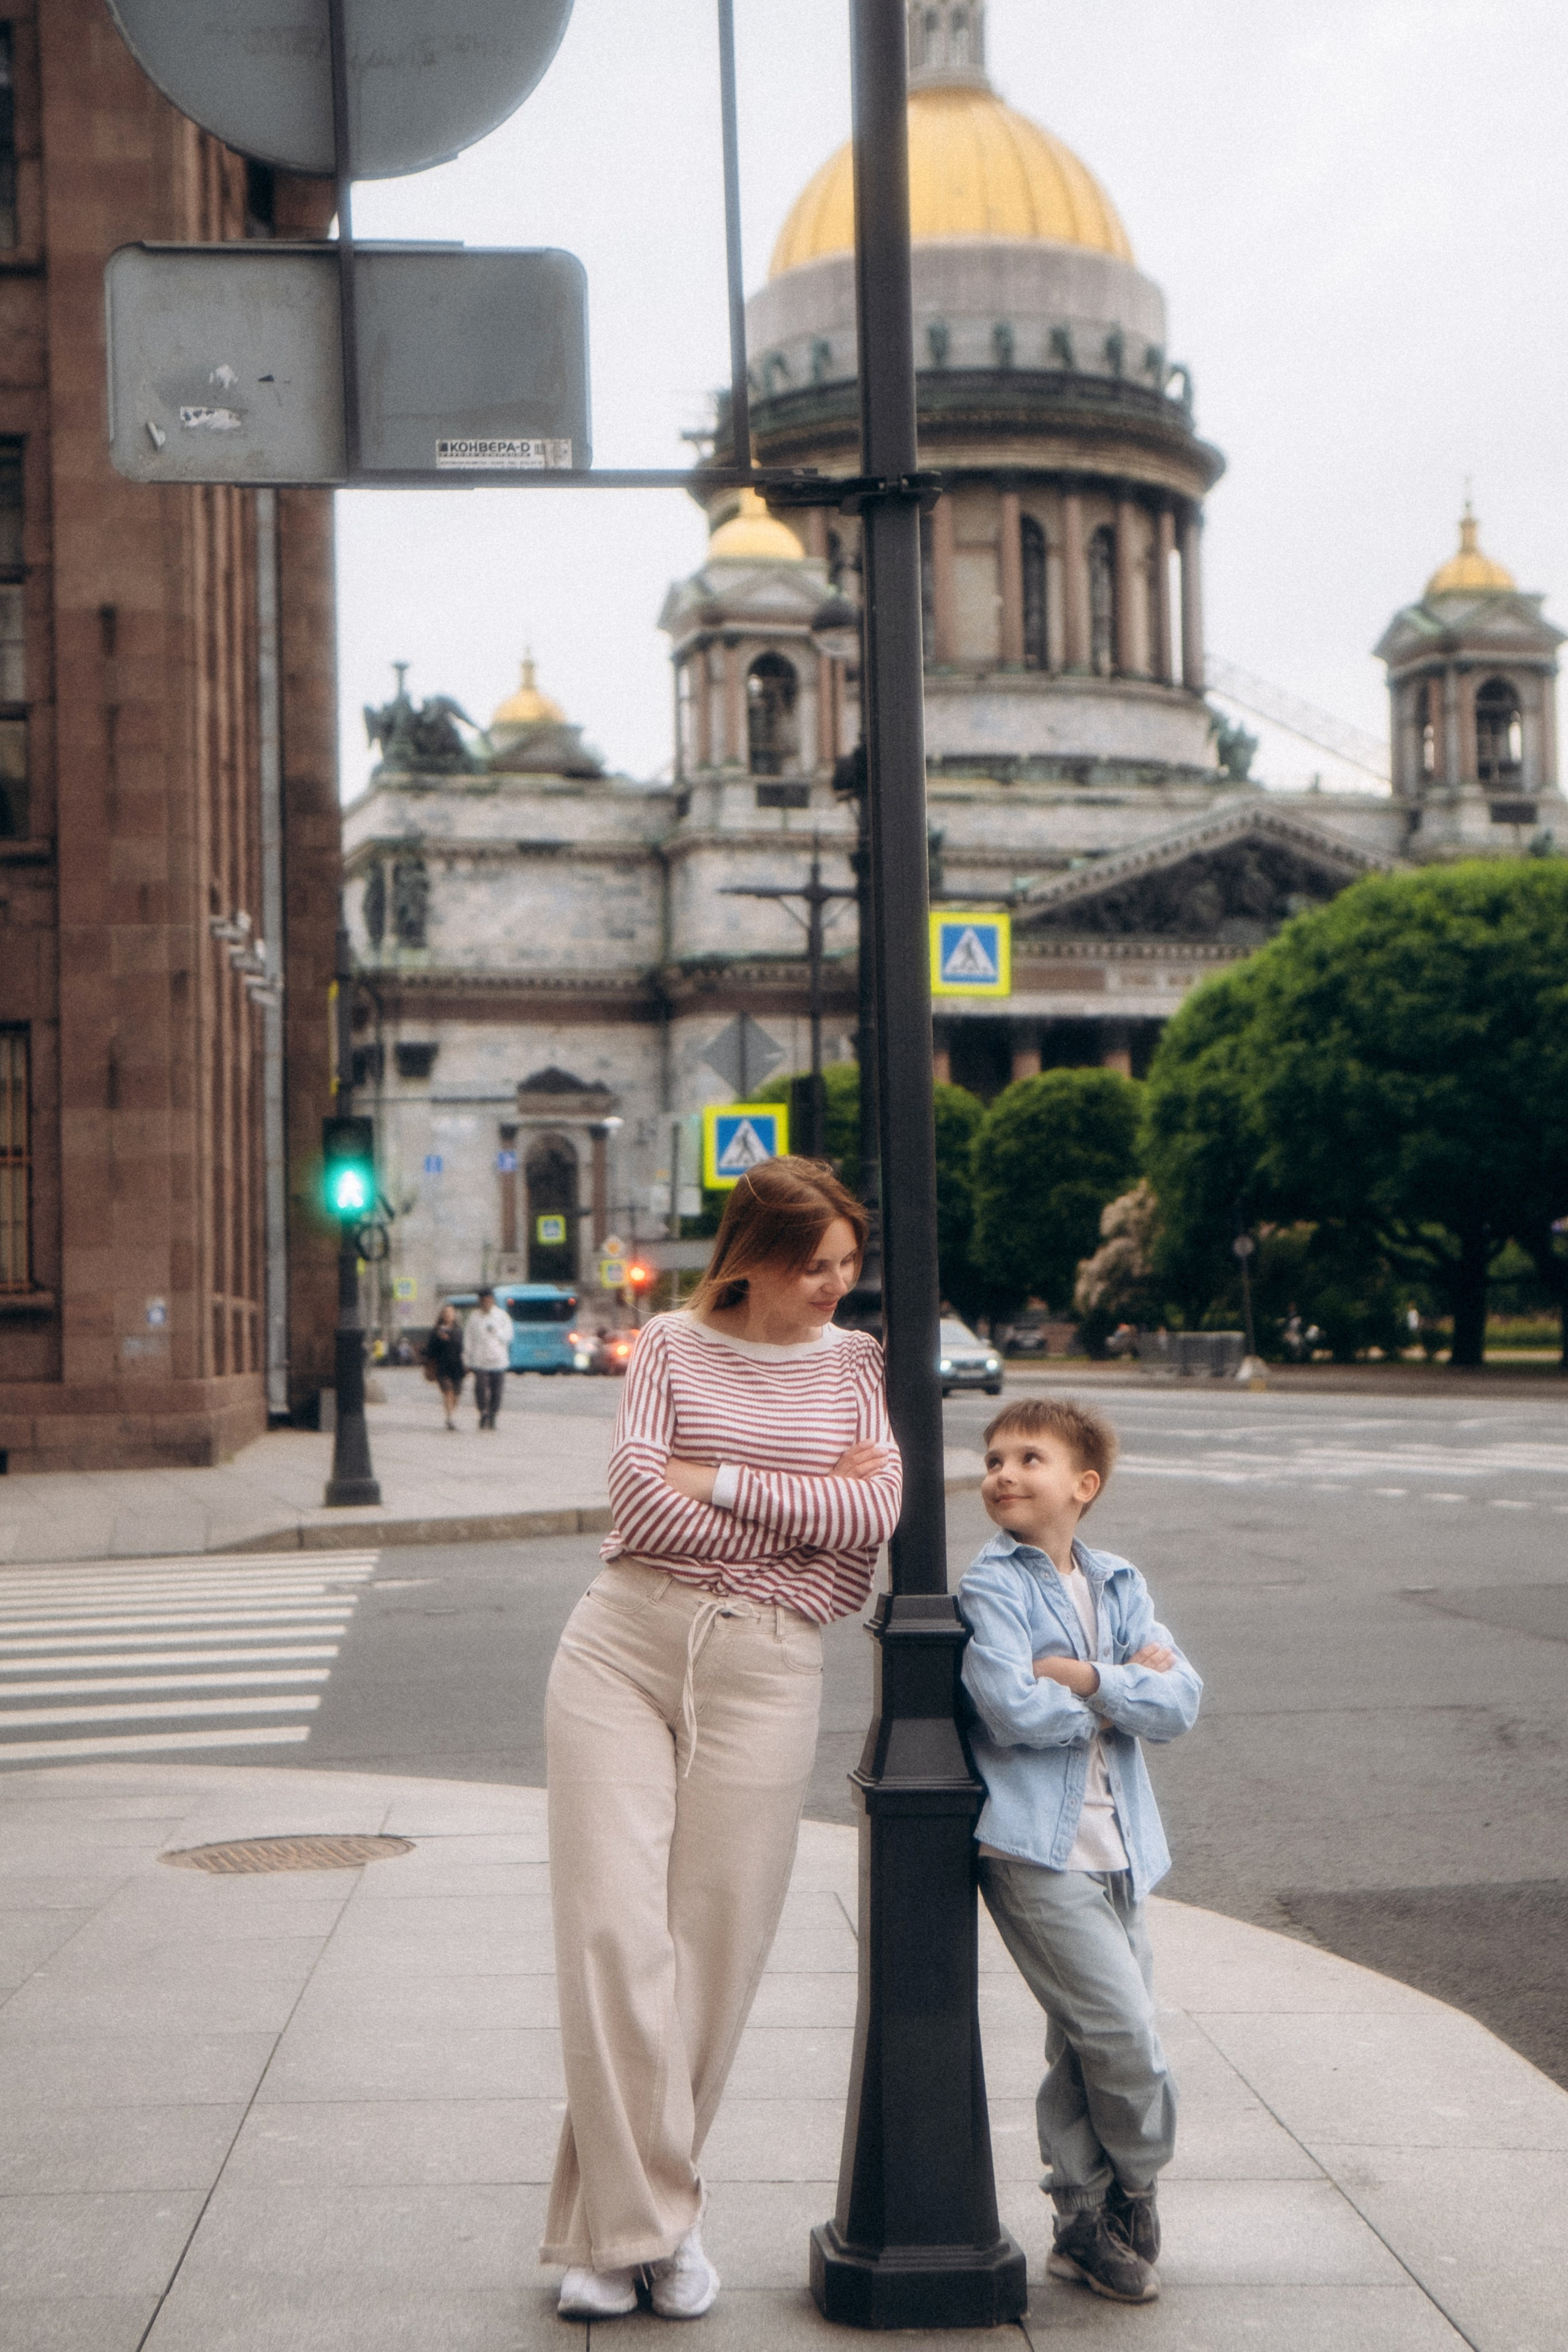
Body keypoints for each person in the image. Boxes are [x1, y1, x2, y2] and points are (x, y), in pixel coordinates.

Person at [542, 1157, 901, 2323]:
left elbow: (869, 1525)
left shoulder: (856, 1366)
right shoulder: (670, 1348)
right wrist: (795, 1504)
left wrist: (721, 1479)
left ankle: (621, 2232)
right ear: (751, 1259)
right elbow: (639, 1503)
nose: (836, 1287)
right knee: (612, 1935)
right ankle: (649, 2224)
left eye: (849, 1265)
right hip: (623, 1644)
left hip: (768, 1668)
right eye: (815, 1267)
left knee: (714, 1951)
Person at [958, 1397, 1202, 2306]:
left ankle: (1081, 2222)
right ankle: (1133, 2188)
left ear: (1083, 1486)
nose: (1004, 1474)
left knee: (1086, 2044)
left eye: (1030, 1458)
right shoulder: (991, 1587)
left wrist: (1088, 1678)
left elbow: (1182, 1705)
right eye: (994, 1460)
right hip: (1036, 1851)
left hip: (1126, 1848)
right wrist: (1130, 1686)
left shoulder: (1121, 1581)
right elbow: (1012, 1712)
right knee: (1123, 2036)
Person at [462, 1287, 513, 1429]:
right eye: (483, 1301)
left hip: (498, 1360)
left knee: (497, 1391)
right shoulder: (474, 1317)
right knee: (480, 1389)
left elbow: (509, 1337)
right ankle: (483, 1412)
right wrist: (466, 1359)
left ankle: (493, 1415)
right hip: (480, 1360)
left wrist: (497, 1332)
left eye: (488, 1300)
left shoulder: (502, 1316)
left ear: (493, 1300)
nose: (486, 1303)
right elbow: (469, 1339)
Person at [422, 1301, 466, 1431]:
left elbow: (464, 1347)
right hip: (442, 1366)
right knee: (448, 1392)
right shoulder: (436, 1331)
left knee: (456, 1394)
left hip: (457, 1366)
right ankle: (450, 1418)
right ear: (442, 1315)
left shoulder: (459, 1330)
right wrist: (439, 1340)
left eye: (451, 1313)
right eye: (446, 1313)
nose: (449, 1315)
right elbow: (430, 1350)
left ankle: (452, 1414)